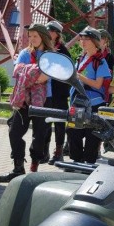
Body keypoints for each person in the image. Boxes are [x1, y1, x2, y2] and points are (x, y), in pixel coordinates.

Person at [0, 23, 53, 183]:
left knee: (40, 135)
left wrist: (28, 74)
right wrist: (34, 74)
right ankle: (18, 168)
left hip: (45, 99)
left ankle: (34, 169)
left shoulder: (50, 56)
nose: (32, 39)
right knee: (14, 132)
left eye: (35, 36)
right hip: (23, 100)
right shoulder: (24, 53)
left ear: (43, 36)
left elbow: (44, 77)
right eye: (30, 36)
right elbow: (17, 73)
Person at [67, 27, 112, 164]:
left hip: (94, 103)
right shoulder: (80, 58)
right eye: (82, 38)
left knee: (91, 134)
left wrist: (79, 77)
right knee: (73, 131)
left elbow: (98, 85)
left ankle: (89, 162)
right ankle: (76, 160)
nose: (83, 41)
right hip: (77, 101)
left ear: (94, 41)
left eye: (87, 39)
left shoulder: (100, 61)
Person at [43, 20, 71, 165]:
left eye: (50, 31)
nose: (48, 34)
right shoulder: (44, 48)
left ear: (56, 34)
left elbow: (66, 72)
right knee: (46, 122)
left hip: (59, 92)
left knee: (59, 124)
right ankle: (45, 151)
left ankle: (58, 152)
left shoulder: (63, 51)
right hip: (46, 92)